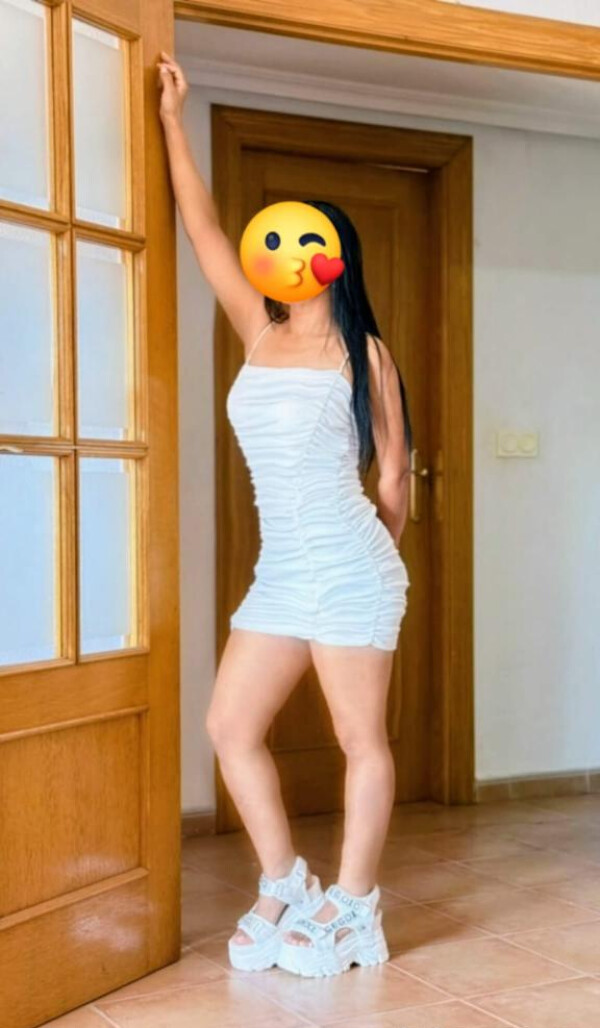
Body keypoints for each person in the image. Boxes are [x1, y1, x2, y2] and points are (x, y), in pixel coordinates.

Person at [157, 52, 413, 978]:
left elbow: (395, 475)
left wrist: (375, 561)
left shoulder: (364, 353)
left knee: (357, 740)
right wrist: (173, 120)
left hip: (348, 564)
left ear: (332, 257)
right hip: (283, 571)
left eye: (304, 244)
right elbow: (202, 229)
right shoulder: (257, 330)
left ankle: (356, 907)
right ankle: (285, 883)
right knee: (230, 726)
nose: (282, 258)